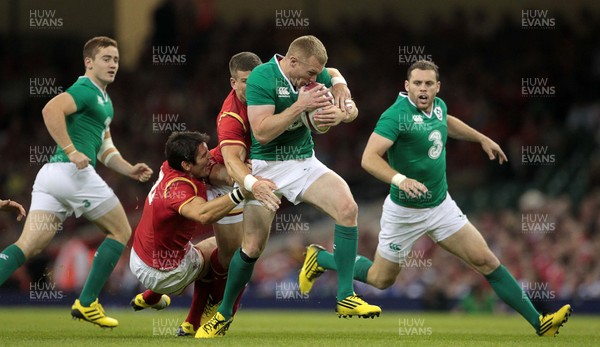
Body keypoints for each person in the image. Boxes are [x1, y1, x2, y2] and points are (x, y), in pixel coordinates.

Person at [299, 60, 571, 337]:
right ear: (407, 86)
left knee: (486, 261)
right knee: (381, 279)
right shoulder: (396, 116)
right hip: (404, 212)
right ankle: (321, 259)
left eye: (429, 84)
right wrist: (400, 179)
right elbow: (369, 158)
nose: (423, 89)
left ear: (437, 87)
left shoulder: (439, 106)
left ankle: (541, 323)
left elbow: (446, 122)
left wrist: (480, 138)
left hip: (441, 207)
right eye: (417, 83)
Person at [197, 35, 376, 339]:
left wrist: (343, 111)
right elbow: (263, 133)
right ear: (292, 62)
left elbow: (336, 82)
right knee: (252, 247)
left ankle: (345, 296)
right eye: (309, 74)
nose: (313, 78)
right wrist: (301, 105)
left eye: (315, 74)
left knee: (348, 208)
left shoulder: (312, 70)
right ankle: (223, 314)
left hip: (304, 161)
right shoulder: (261, 79)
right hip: (268, 167)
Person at [0, 36, 153, 328]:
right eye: (106, 58)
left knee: (27, 246)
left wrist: (129, 169)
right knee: (120, 230)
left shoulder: (104, 100)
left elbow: (105, 149)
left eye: (116, 60)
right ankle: (87, 303)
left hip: (51, 176)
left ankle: (86, 302)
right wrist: (71, 150)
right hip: (72, 174)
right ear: (89, 62)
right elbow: (50, 110)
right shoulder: (84, 89)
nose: (113, 65)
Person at [128, 131, 251, 335]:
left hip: (139, 257)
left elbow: (212, 158)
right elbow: (203, 214)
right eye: (203, 156)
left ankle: (151, 297)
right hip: (165, 273)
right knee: (224, 253)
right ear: (186, 165)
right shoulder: (179, 190)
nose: (209, 158)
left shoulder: (170, 166)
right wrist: (240, 193)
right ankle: (193, 323)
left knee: (203, 250)